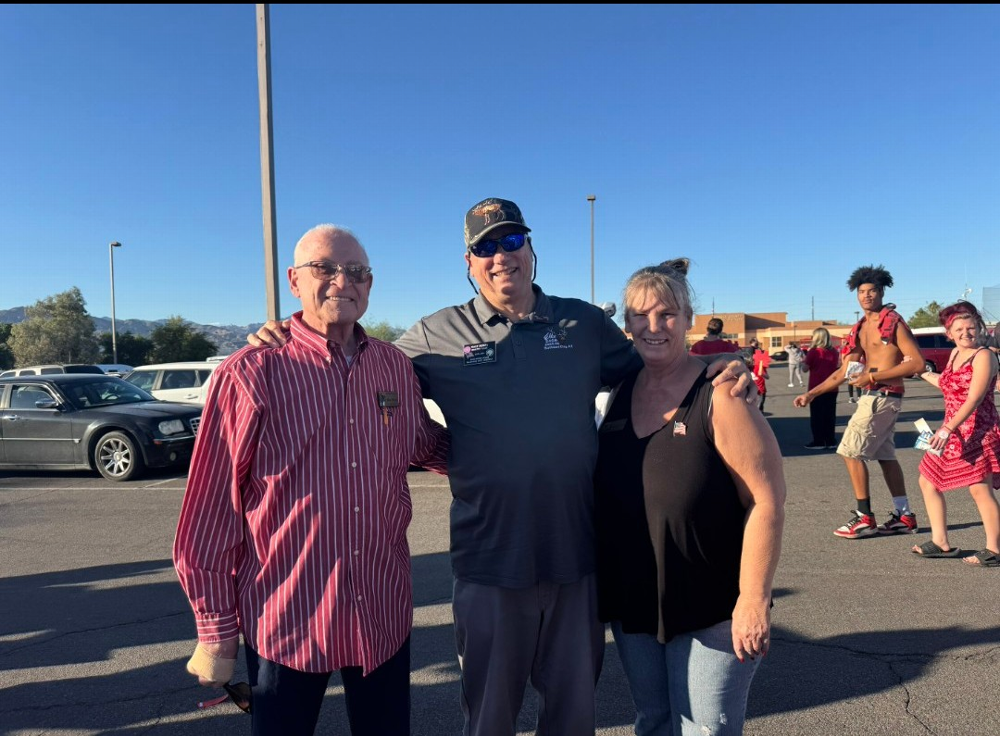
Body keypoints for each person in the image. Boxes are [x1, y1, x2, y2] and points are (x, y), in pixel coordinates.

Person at [248, 198, 754, 736]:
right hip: (489, 562)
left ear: (531, 249)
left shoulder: (582, 323)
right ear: (469, 262)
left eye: (512, 241)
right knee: (489, 718)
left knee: (573, 717)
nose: (501, 255)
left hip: (577, 558)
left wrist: (713, 364)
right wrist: (294, 333)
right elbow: (362, 364)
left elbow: (656, 367)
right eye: (485, 246)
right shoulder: (437, 333)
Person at [174, 225, 449, 735]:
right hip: (288, 620)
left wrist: (514, 457)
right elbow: (211, 509)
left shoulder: (392, 366)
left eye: (357, 271)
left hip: (382, 611)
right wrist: (216, 629)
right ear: (294, 280)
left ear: (370, 284)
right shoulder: (251, 372)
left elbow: (425, 443)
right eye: (324, 268)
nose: (343, 281)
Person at [595, 259, 786, 735]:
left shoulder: (721, 393)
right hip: (636, 599)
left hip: (712, 604)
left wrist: (754, 599)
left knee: (705, 729)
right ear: (626, 324)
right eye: (641, 315)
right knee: (654, 720)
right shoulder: (618, 391)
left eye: (667, 314)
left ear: (688, 320)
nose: (653, 326)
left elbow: (766, 501)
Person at [793, 265, 924, 539]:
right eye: (861, 292)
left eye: (872, 290)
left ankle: (865, 518)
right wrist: (812, 393)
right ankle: (904, 516)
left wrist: (872, 376)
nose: (866, 296)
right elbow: (844, 371)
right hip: (875, 396)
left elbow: (916, 363)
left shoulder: (893, 322)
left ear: (881, 292)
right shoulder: (861, 327)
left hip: (882, 396)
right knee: (886, 457)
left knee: (849, 451)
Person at [910, 301, 1000, 567]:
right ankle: (940, 542)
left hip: (978, 431)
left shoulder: (984, 356)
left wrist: (947, 429)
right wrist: (922, 373)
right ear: (949, 333)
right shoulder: (953, 354)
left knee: (979, 489)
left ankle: (994, 549)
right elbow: (947, 384)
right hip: (950, 432)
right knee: (928, 481)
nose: (965, 333)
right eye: (958, 329)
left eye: (970, 327)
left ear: (979, 328)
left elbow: (974, 398)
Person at [800, 327, 840, 450]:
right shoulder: (834, 352)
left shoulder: (814, 352)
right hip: (832, 387)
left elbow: (805, 369)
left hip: (816, 387)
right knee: (830, 415)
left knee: (817, 416)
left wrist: (803, 362)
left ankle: (819, 441)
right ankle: (830, 440)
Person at [748, 338, 770, 412]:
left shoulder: (751, 367)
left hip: (753, 387)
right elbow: (767, 376)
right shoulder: (751, 350)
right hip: (760, 388)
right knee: (759, 406)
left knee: (753, 405)